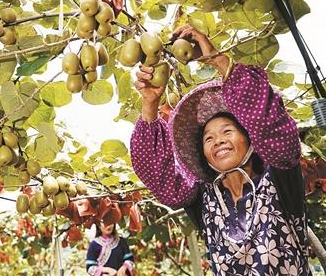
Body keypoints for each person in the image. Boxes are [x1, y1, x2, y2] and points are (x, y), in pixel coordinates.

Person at [130, 24, 311, 275]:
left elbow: (272, 125)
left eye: (227, 131)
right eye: (208, 139)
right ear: (203, 154)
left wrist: (217, 59)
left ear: (250, 138)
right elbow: (156, 171)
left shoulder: (279, 176)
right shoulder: (203, 197)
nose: (218, 141)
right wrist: (150, 103)